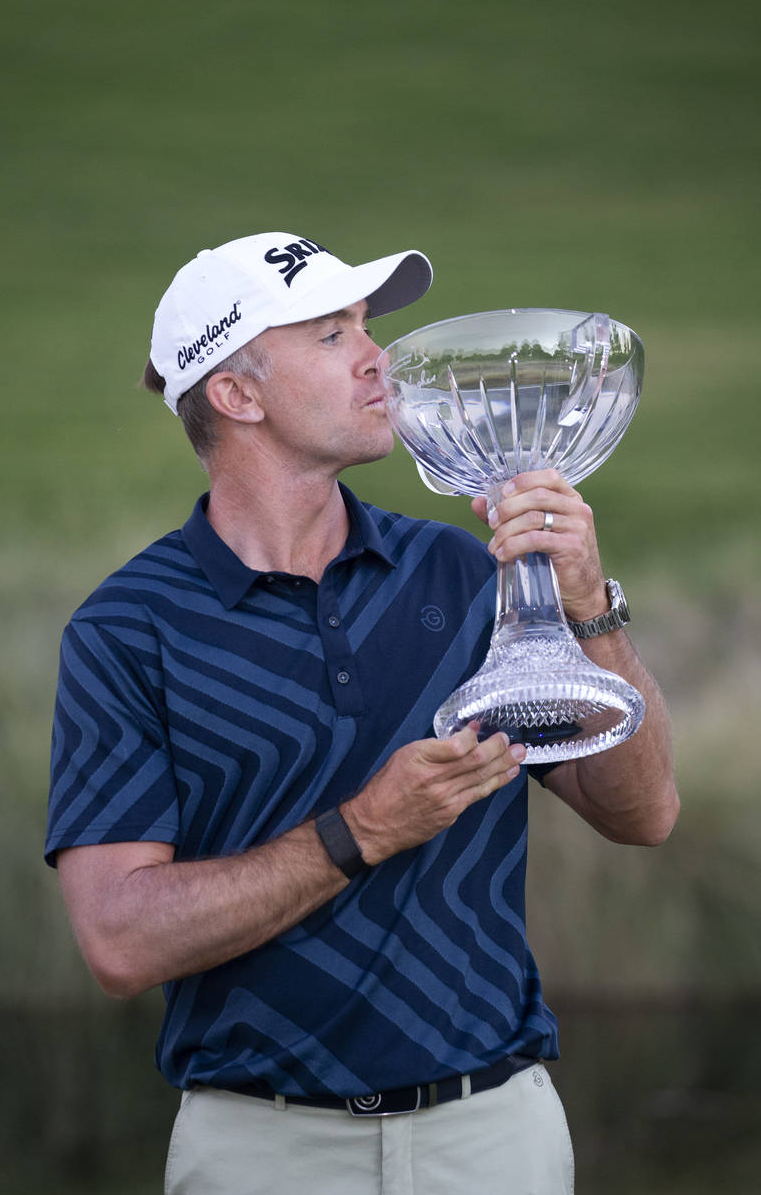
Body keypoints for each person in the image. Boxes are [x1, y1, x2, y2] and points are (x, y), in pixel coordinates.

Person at [45, 230, 678, 1195]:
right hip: (261, 1151)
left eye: (365, 325)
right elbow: (121, 942)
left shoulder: (464, 573)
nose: (379, 355)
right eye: (332, 334)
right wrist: (361, 831)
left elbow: (643, 813)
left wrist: (587, 601)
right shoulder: (128, 628)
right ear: (238, 395)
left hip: (494, 1135)